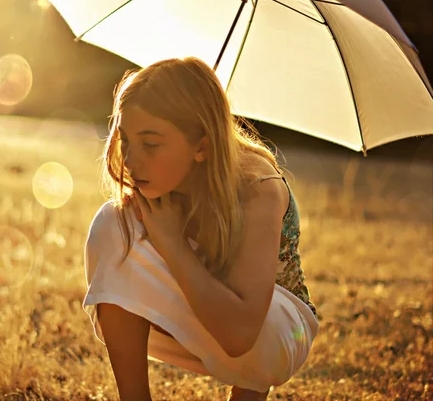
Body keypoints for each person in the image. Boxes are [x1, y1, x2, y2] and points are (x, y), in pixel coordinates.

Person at [82, 57, 319, 401]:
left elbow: (240, 336)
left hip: (273, 332)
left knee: (256, 335)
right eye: (126, 141)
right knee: (113, 224)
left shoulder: (258, 187)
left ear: (203, 146)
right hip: (205, 315)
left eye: (150, 144)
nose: (131, 162)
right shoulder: (160, 184)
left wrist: (174, 245)